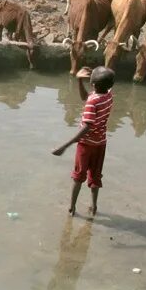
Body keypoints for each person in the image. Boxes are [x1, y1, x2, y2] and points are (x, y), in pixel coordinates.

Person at [51, 66, 115, 217]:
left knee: (78, 176)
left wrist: (65, 145)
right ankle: (94, 206)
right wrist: (80, 80)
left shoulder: (93, 102)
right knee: (95, 176)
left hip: (86, 144)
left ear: (93, 85)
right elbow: (86, 98)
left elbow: (87, 126)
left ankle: (72, 207)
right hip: (101, 143)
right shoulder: (109, 95)